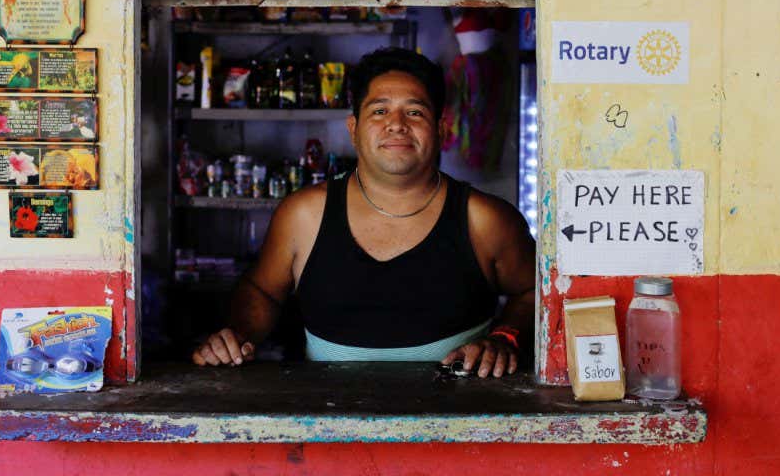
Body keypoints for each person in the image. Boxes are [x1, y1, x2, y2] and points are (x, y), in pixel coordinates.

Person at [192, 47, 537, 377]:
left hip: (460, 425)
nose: (397, 124)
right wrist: (236, 336)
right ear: (354, 129)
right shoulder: (304, 214)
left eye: (415, 112)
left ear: (441, 129)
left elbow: (534, 291)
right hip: (327, 424)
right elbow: (261, 290)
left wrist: (506, 338)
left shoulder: (486, 219)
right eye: (379, 111)